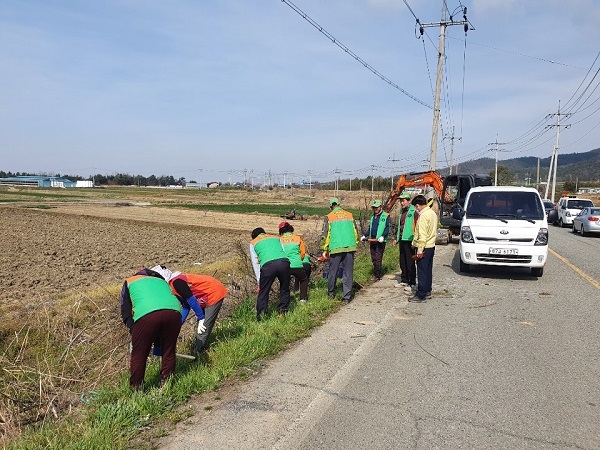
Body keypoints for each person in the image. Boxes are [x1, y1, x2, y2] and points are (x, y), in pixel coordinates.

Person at [120, 267, 182, 389]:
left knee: (139, 353)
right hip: (174, 312)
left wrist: (133, 328)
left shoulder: (130, 281)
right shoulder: (162, 281)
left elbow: (125, 310)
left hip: (147, 313)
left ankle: (137, 387)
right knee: (168, 350)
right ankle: (167, 384)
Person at [152, 265, 228, 356]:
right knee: (200, 329)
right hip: (203, 297)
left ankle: (198, 355)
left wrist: (201, 318)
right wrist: (178, 323)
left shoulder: (177, 282)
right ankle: (201, 349)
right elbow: (186, 306)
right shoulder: (172, 286)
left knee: (203, 329)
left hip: (213, 292)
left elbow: (191, 299)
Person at [321, 197, 359, 302]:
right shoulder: (349, 215)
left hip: (335, 247)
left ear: (330, 207)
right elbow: (355, 231)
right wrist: (355, 243)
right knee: (348, 272)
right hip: (350, 246)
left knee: (332, 271)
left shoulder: (329, 217)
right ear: (339, 204)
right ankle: (346, 297)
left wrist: (324, 249)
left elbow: (325, 235)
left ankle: (331, 294)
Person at [249, 227, 291, 321]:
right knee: (285, 288)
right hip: (284, 262)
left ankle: (261, 317)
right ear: (264, 233)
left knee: (264, 292)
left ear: (254, 236)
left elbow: (255, 263)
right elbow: (284, 250)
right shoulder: (275, 237)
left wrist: (259, 281)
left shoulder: (253, 243)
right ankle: (283, 311)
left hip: (268, 266)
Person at [408, 195, 438, 302]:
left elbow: (422, 235)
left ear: (417, 206)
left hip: (424, 247)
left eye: (415, 207)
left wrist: (420, 249)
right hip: (431, 246)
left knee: (421, 271)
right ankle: (427, 290)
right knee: (428, 270)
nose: (416, 210)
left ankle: (421, 294)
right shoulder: (432, 213)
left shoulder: (423, 216)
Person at [278, 221, 309, 303]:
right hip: (297, 265)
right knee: (303, 279)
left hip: (285, 265)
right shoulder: (297, 238)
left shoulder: (279, 240)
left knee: (284, 284)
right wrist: (298, 260)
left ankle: (285, 302)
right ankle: (303, 299)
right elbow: (303, 253)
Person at [360, 199, 390, 281]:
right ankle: (376, 272)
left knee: (378, 257)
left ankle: (377, 275)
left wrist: (383, 236)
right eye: (374, 208)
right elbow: (370, 228)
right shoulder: (373, 217)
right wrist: (365, 235)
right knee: (373, 257)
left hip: (380, 240)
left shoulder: (385, 216)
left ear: (380, 207)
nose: (375, 209)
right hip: (372, 239)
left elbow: (387, 227)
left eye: (376, 207)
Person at [393, 192, 417, 293]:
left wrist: (415, 239)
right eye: (400, 201)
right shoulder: (402, 212)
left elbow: (416, 225)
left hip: (410, 239)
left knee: (410, 262)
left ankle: (412, 282)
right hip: (402, 239)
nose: (401, 203)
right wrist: (396, 238)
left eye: (403, 201)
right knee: (402, 261)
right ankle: (404, 279)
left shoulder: (413, 211)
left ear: (409, 201)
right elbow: (400, 226)